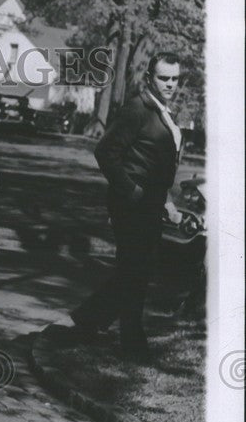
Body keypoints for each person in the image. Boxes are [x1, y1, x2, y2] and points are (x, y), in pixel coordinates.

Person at [70, 52, 183, 360]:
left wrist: (167, 203)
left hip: (150, 203)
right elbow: (105, 152)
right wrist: (132, 192)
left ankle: (88, 320)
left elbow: (158, 167)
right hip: (131, 205)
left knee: (135, 270)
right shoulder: (137, 109)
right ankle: (133, 345)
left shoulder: (162, 111)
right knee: (135, 272)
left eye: (174, 78)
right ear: (150, 77)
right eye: (164, 78)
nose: (170, 84)